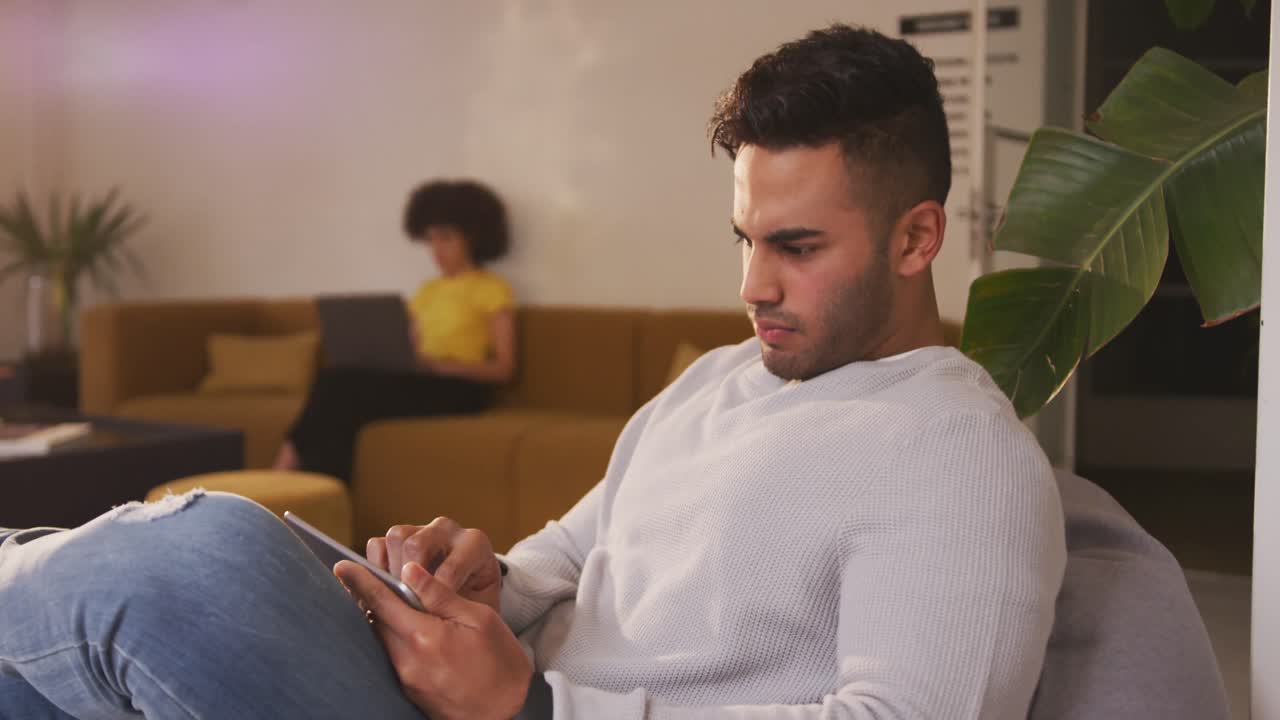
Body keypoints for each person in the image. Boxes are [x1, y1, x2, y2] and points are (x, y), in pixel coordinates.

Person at [0, 24, 1065, 719]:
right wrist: (477, 577)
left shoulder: (954, 455)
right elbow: (565, 555)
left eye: (794, 248)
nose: (750, 286)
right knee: (84, 651)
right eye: (742, 239)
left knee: (199, 557)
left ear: (916, 239)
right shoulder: (717, 383)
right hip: (477, 697)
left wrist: (536, 710)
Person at [273, 179, 517, 482]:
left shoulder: (492, 289)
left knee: (338, 387)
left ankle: (283, 472)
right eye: (430, 240)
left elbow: (504, 369)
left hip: (459, 390)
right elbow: (410, 343)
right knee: (339, 388)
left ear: (473, 237)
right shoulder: (428, 290)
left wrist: (439, 366)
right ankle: (314, 485)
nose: (436, 249)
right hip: (419, 381)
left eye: (446, 239)